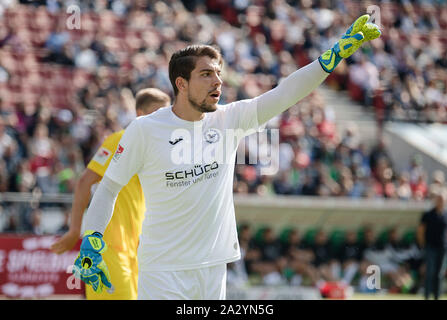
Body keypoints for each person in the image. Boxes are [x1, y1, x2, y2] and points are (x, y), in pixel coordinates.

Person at [73, 15, 381, 299]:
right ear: (181, 83)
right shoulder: (144, 129)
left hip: (213, 267)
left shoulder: (229, 119)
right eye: (206, 74)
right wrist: (92, 240)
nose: (217, 82)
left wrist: (333, 57)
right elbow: (109, 187)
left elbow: (286, 93)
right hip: (162, 271)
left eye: (218, 74)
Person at [51, 88, 171, 300]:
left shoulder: (156, 152)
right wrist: (74, 230)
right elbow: (84, 182)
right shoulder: (120, 139)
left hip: (136, 254)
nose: (163, 120)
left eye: (166, 114)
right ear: (140, 114)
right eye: (157, 113)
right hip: (109, 251)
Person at [418, 188, 447, 300]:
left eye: (443, 199)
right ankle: (427, 296)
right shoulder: (428, 214)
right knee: (430, 273)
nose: (441, 201)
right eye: (439, 199)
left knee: (439, 274)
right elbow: (421, 231)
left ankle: (437, 296)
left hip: (443, 248)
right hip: (430, 247)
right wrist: (423, 245)